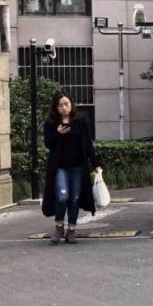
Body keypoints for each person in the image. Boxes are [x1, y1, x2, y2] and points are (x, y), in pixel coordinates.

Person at [41, 91, 101, 244]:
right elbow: (48, 143)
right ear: (55, 107)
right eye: (60, 105)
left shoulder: (80, 121)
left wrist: (95, 164)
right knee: (62, 196)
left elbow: (88, 143)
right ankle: (59, 226)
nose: (64, 107)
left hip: (78, 167)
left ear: (71, 104)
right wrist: (57, 133)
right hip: (59, 167)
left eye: (66, 104)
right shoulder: (51, 123)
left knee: (75, 198)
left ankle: (71, 230)